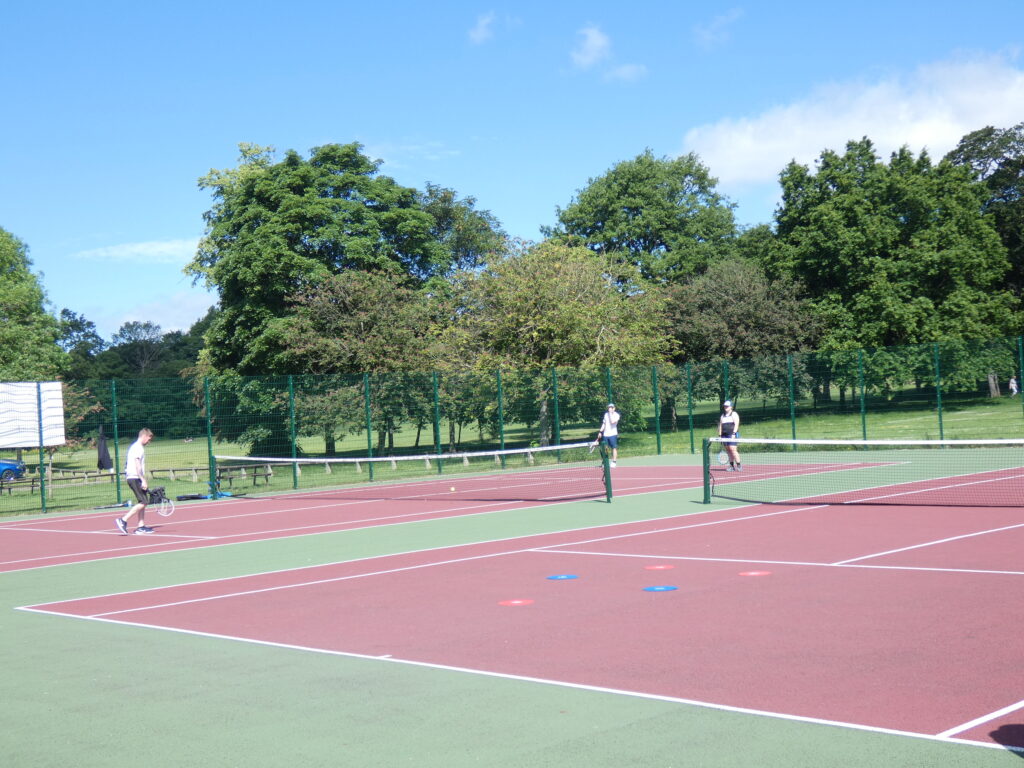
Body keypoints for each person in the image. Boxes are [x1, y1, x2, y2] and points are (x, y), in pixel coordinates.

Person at [115, 428, 155, 535]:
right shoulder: (138, 448)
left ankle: (141, 526)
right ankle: (123, 520)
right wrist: (143, 480)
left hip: (134, 477)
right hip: (134, 477)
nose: (149, 442)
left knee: (142, 501)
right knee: (144, 502)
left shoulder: (136, 447)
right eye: (148, 439)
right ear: (144, 436)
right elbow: (138, 465)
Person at [719, 400, 741, 472]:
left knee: (733, 450)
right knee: (728, 450)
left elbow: (737, 424)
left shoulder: (734, 414)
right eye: (725, 406)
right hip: (724, 435)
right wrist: (720, 435)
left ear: (731, 407)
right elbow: (720, 426)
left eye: (727, 406)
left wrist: (734, 433)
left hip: (731, 434)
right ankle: (731, 466)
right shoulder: (723, 416)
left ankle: (738, 465)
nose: (725, 407)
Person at [597, 403, 620, 468]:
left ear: (614, 408)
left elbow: (612, 421)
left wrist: (610, 413)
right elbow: (604, 424)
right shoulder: (606, 415)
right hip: (605, 434)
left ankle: (614, 462)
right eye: (609, 407)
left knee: (614, 448)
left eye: (611, 407)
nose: (609, 409)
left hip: (613, 434)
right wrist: (600, 432)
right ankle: (605, 462)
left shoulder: (617, 415)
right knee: (605, 448)